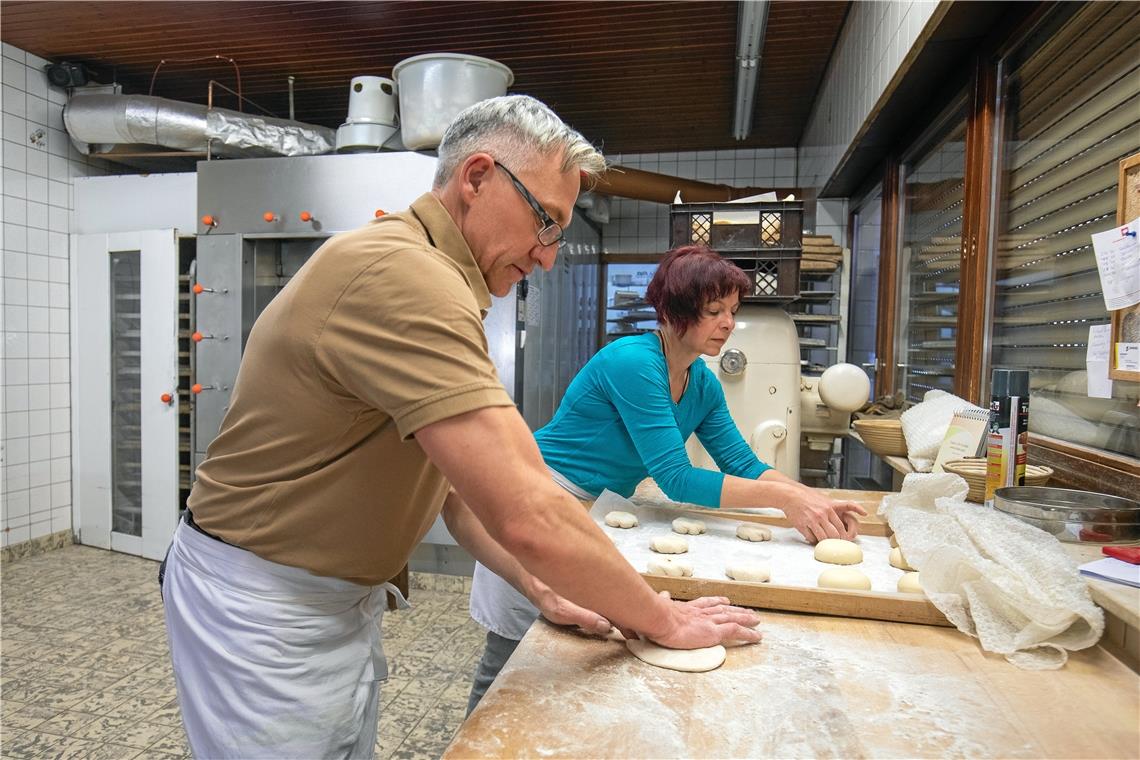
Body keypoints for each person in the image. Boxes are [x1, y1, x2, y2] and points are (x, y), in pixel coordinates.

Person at [160, 95, 760, 759]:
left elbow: (456, 492)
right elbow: (528, 509)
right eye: (546, 222)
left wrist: (539, 587)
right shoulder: (405, 277)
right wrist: (661, 617)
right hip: (263, 604)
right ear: (476, 178)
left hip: (320, 599)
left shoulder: (434, 276)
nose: (548, 256)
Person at [464, 244, 868, 712]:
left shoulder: (702, 383)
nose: (728, 324)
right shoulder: (634, 363)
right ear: (676, 311)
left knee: (560, 662)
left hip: (592, 513)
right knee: (510, 666)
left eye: (732, 311)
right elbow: (675, 477)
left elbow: (743, 463)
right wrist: (784, 500)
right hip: (538, 497)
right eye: (714, 311)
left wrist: (809, 499)